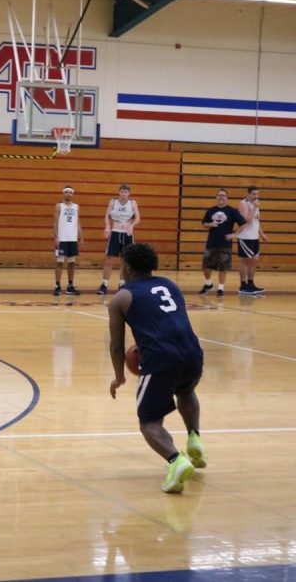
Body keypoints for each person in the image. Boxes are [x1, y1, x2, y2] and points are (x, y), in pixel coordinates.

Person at [107, 243, 206, 493]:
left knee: (149, 422)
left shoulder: (122, 297)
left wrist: (119, 376)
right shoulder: (170, 285)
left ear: (127, 266)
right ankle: (195, 437)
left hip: (161, 359)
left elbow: (117, 347)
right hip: (193, 353)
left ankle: (176, 460)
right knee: (185, 390)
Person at [199, 188, 246, 297]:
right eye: (219, 195)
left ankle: (220, 289)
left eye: (223, 195)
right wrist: (210, 224)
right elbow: (204, 224)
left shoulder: (232, 211)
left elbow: (243, 224)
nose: (221, 197)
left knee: (223, 268)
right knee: (206, 266)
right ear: (216, 197)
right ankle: (208, 284)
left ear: (226, 198)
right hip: (211, 243)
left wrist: (234, 235)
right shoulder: (210, 210)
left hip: (225, 244)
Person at [98, 184, 140, 295]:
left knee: (125, 261)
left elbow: (137, 217)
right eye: (122, 192)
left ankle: (122, 284)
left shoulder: (133, 203)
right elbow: (107, 215)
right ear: (119, 193)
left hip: (127, 234)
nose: (124, 194)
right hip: (115, 232)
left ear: (129, 194)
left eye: (126, 192)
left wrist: (132, 225)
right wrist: (107, 226)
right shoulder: (113, 202)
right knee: (109, 260)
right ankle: (104, 284)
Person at [236, 185, 267, 295]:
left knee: (254, 261)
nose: (256, 196)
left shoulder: (256, 204)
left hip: (254, 237)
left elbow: (256, 221)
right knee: (245, 261)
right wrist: (254, 207)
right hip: (245, 237)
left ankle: (251, 283)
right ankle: (243, 285)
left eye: (257, 194)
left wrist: (262, 233)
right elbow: (247, 220)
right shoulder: (243, 204)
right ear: (248, 194)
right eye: (253, 194)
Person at [53, 186, 83, 296]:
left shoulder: (76, 207)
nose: (68, 194)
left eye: (70, 192)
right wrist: (56, 238)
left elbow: (78, 222)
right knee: (59, 262)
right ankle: (57, 286)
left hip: (72, 239)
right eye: (66, 192)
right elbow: (55, 223)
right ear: (63, 194)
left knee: (71, 263)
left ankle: (70, 286)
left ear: (72, 194)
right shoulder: (58, 206)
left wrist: (81, 236)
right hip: (62, 239)